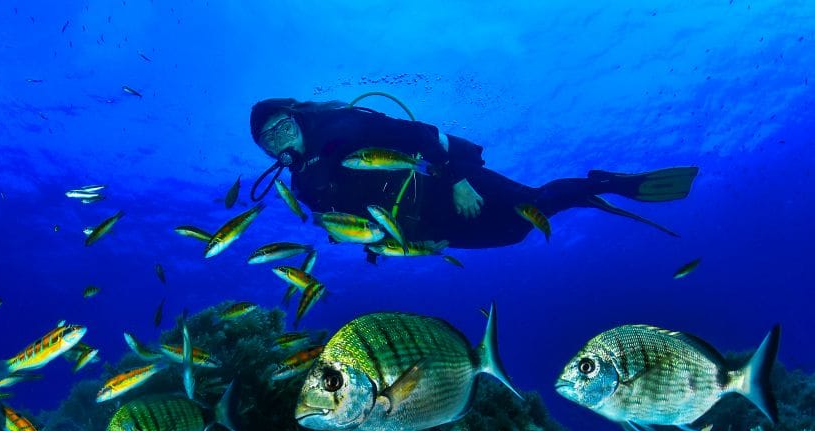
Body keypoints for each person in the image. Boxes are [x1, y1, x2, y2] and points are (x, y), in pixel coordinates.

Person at [249, 97, 698, 250]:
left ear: (298, 119)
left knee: (533, 204)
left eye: (282, 127)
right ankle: (585, 193)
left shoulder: (343, 128)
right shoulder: (301, 185)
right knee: (515, 233)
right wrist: (401, 245)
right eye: (268, 140)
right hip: (426, 226)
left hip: (447, 183)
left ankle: (608, 184)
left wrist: (459, 181)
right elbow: (347, 224)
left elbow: (420, 134)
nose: (279, 141)